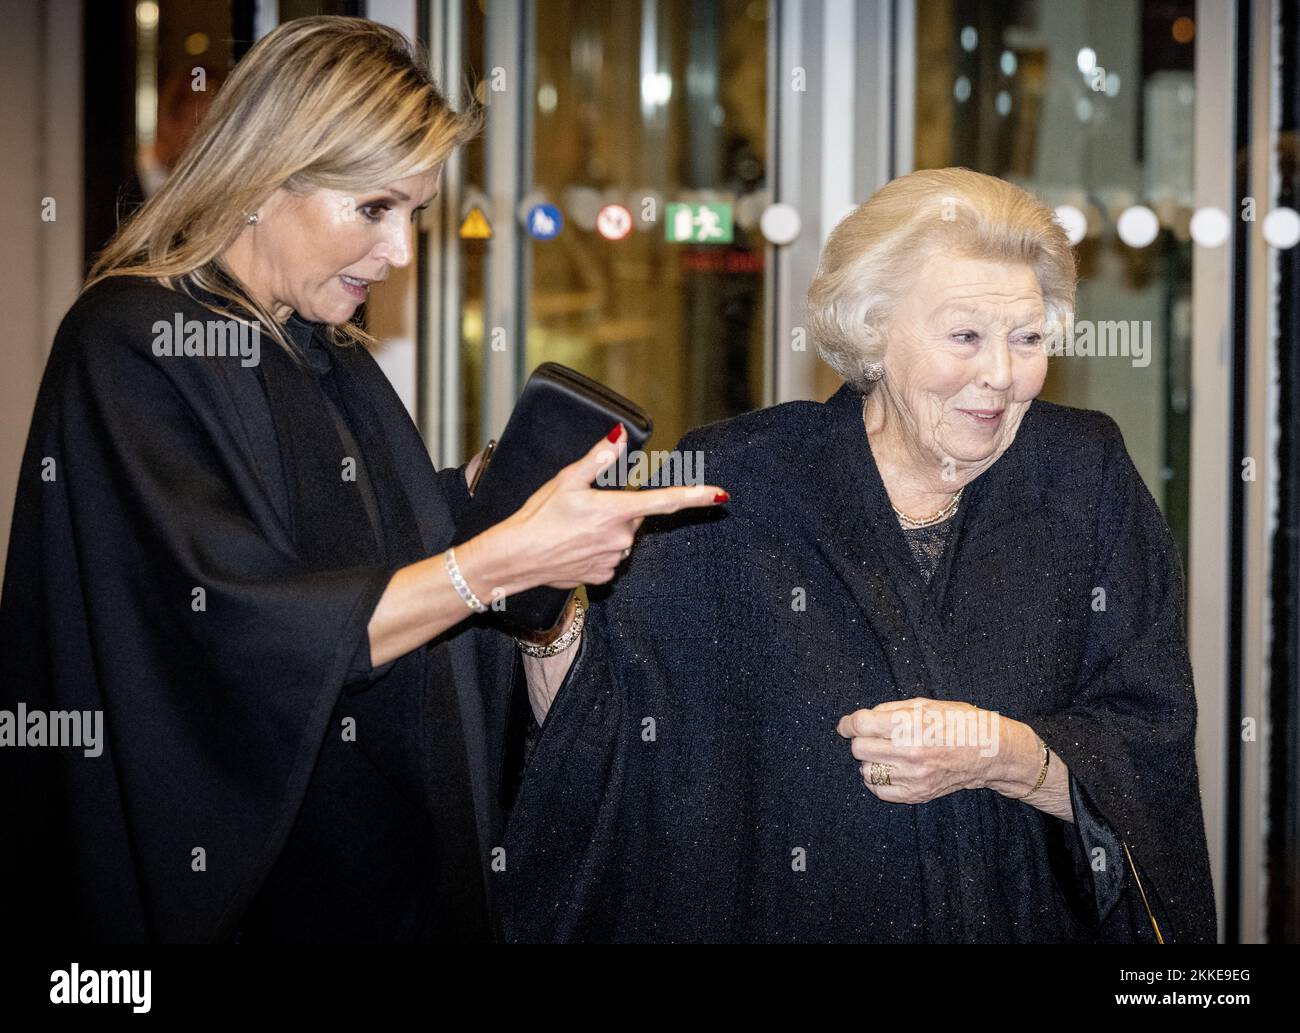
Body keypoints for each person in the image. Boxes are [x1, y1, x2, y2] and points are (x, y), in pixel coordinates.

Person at [0, 16, 725, 944]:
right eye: (375, 208)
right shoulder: (133, 343)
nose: (401, 254)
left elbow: (359, 549)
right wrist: (494, 562)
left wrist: (484, 498)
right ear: (266, 177)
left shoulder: (323, 351)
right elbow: (242, 629)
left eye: (414, 214)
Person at [500, 167, 1219, 943]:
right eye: (966, 336)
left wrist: (1003, 753)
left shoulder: (1085, 474)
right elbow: (607, 733)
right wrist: (544, 610)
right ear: (874, 329)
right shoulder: (740, 478)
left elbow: (1150, 742)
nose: (1002, 374)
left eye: (1028, 337)